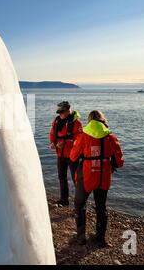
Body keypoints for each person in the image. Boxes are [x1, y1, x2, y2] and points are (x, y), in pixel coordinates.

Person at [69, 110, 124, 247]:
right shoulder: (111, 137)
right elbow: (120, 161)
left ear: (89, 121)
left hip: (87, 176)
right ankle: (100, 238)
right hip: (103, 177)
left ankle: (81, 237)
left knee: (79, 205)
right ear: (102, 120)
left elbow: (73, 156)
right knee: (101, 207)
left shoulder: (83, 136)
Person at [49, 101, 83, 206]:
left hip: (72, 156)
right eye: (59, 112)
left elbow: (80, 140)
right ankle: (64, 200)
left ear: (68, 111)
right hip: (60, 155)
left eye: (62, 112)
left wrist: (66, 143)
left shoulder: (77, 123)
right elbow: (51, 134)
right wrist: (53, 143)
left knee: (76, 179)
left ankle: (80, 203)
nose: (60, 114)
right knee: (61, 177)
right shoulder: (56, 121)